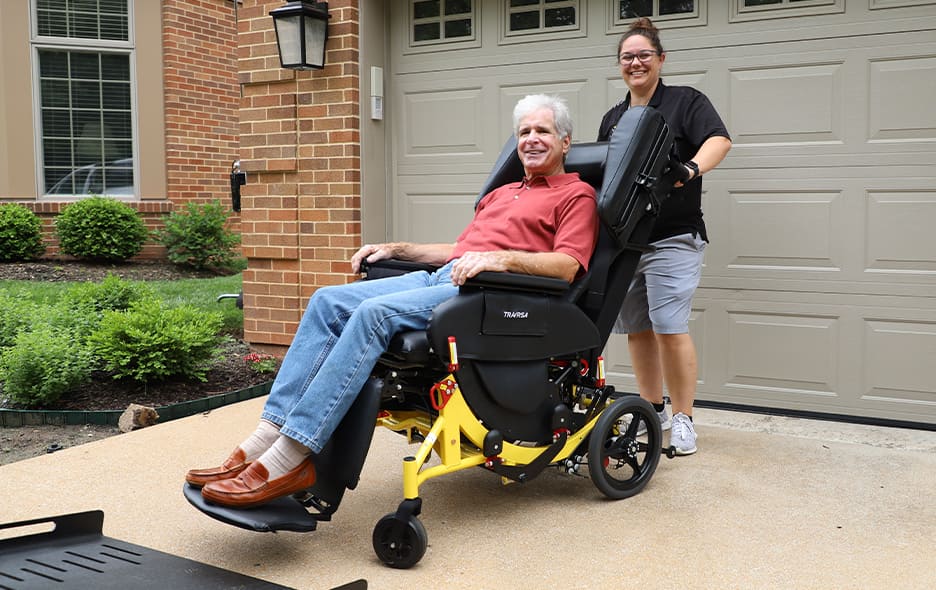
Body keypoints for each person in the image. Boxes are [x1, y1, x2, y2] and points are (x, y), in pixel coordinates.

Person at [186, 94, 599, 508]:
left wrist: (500, 259)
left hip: (493, 295)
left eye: (542, 131)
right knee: (327, 300)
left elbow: (567, 266)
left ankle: (291, 456)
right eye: (524, 131)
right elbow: (459, 249)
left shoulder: (576, 196)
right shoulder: (503, 192)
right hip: (444, 278)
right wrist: (397, 248)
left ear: (565, 142)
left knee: (372, 315)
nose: (531, 139)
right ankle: (266, 435)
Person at [597, 18, 732, 456]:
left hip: (674, 236)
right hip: (627, 240)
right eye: (627, 57)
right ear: (620, 65)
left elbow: (719, 141)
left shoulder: (685, 102)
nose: (635, 63)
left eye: (643, 55)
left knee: (669, 326)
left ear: (660, 59)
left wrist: (691, 169)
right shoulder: (614, 118)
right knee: (637, 329)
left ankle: (684, 418)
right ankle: (651, 411)